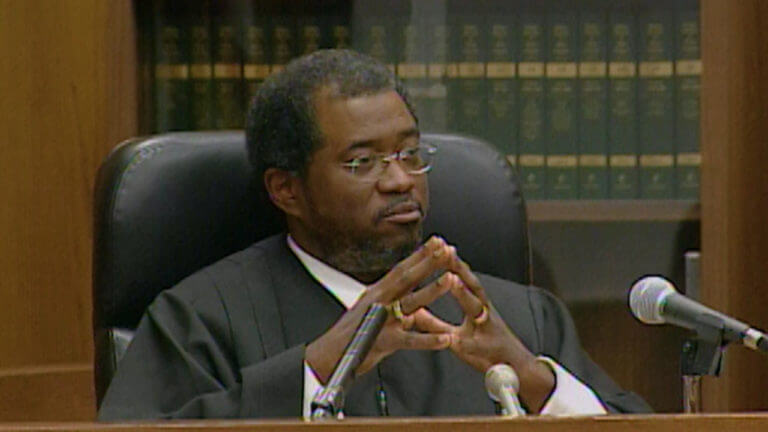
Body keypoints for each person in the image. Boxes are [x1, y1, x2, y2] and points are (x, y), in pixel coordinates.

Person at [98, 49, 651, 420]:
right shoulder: (200, 320)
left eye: (410, 154)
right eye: (362, 163)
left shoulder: (523, 317)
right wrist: (317, 369)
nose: (400, 180)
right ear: (286, 190)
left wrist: (534, 380)